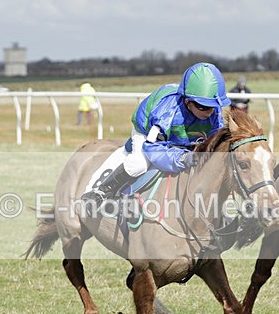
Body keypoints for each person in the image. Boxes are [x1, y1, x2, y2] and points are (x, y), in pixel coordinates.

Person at [81, 62, 231, 211]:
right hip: (148, 134)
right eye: (203, 106)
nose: (209, 112)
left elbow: (215, 143)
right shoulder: (168, 112)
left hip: (181, 138)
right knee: (139, 164)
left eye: (213, 107)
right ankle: (102, 192)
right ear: (187, 101)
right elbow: (152, 148)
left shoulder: (213, 112)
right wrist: (182, 158)